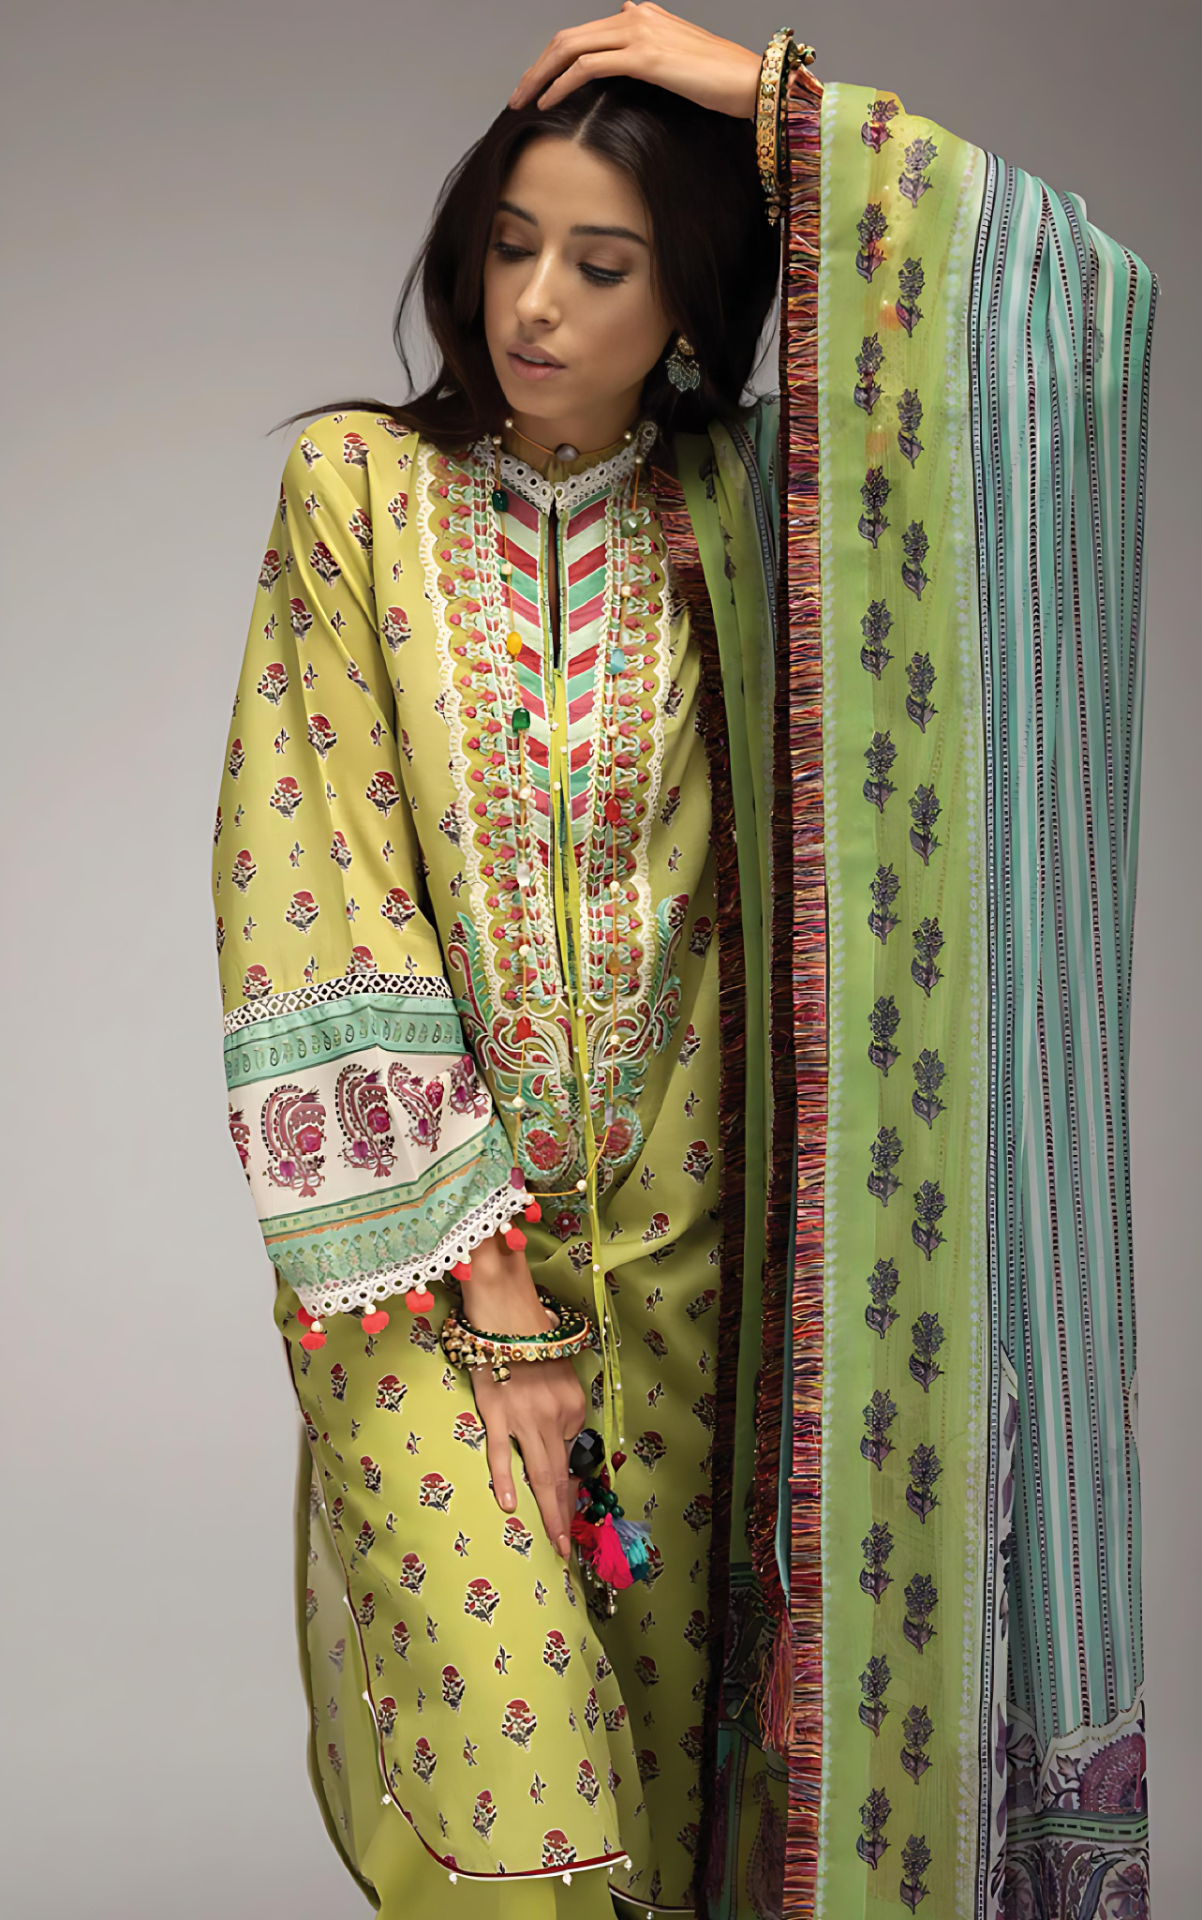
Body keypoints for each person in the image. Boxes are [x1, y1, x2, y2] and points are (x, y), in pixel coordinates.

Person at [210, 11, 1159, 1917]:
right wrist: (491, 1303)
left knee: (672, 1810)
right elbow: (311, 882)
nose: (531, 304)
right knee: (518, 1794)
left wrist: (784, 103)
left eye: (601, 262)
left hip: (704, 1283)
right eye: (505, 245)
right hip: (420, 1266)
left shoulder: (756, 518)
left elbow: (1065, 311)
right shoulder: (353, 495)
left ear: (694, 295)